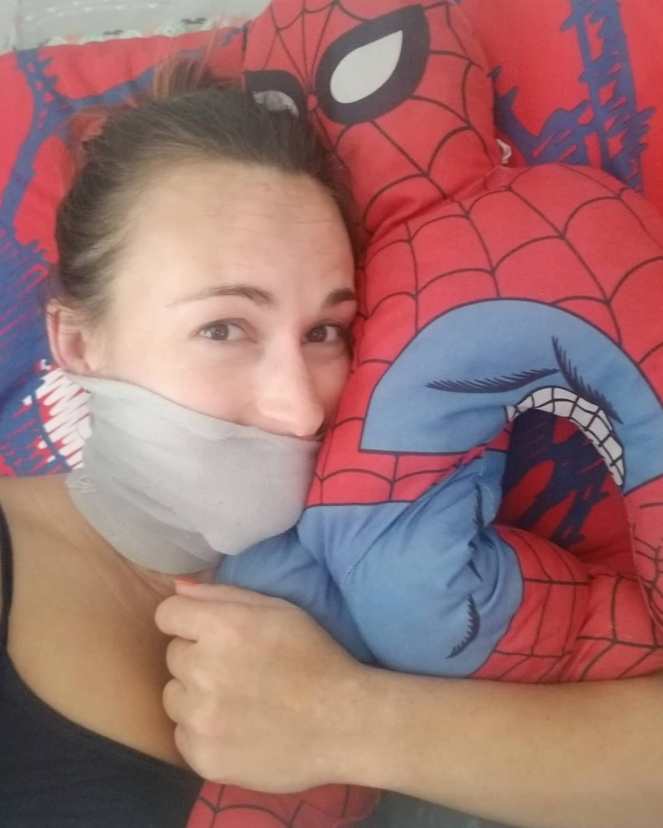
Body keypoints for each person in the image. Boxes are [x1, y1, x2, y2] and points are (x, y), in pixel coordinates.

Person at [0, 59, 377, 826]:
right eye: (223, 328)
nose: (300, 409)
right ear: (78, 343)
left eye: (324, 332)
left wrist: (354, 719)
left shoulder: (397, 566)